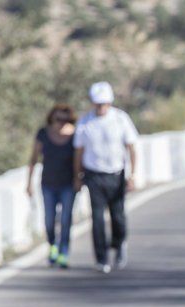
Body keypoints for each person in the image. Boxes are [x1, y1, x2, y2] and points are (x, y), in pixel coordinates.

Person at [73, 81, 139, 274]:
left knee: (118, 215)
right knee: (97, 218)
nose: (101, 107)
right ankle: (101, 257)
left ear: (109, 103)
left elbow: (132, 147)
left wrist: (133, 174)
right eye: (97, 103)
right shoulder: (85, 123)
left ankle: (119, 244)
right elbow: (78, 151)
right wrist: (77, 175)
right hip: (94, 175)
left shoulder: (120, 119)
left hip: (116, 174)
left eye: (104, 103)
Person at [26, 104, 77, 268]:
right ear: (52, 118)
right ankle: (52, 246)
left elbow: (80, 158)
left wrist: (79, 178)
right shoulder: (43, 134)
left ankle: (64, 252)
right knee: (49, 219)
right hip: (48, 183)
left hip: (68, 184)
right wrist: (29, 182)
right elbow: (34, 159)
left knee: (65, 219)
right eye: (59, 119)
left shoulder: (76, 135)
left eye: (65, 119)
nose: (62, 122)